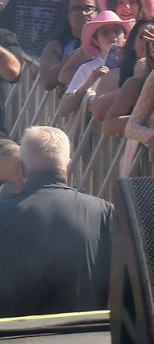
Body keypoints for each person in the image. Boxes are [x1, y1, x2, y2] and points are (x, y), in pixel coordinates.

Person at [0, 127, 114, 315]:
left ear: (21, 168)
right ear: (68, 166)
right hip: (85, 338)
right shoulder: (105, 213)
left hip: (13, 340)